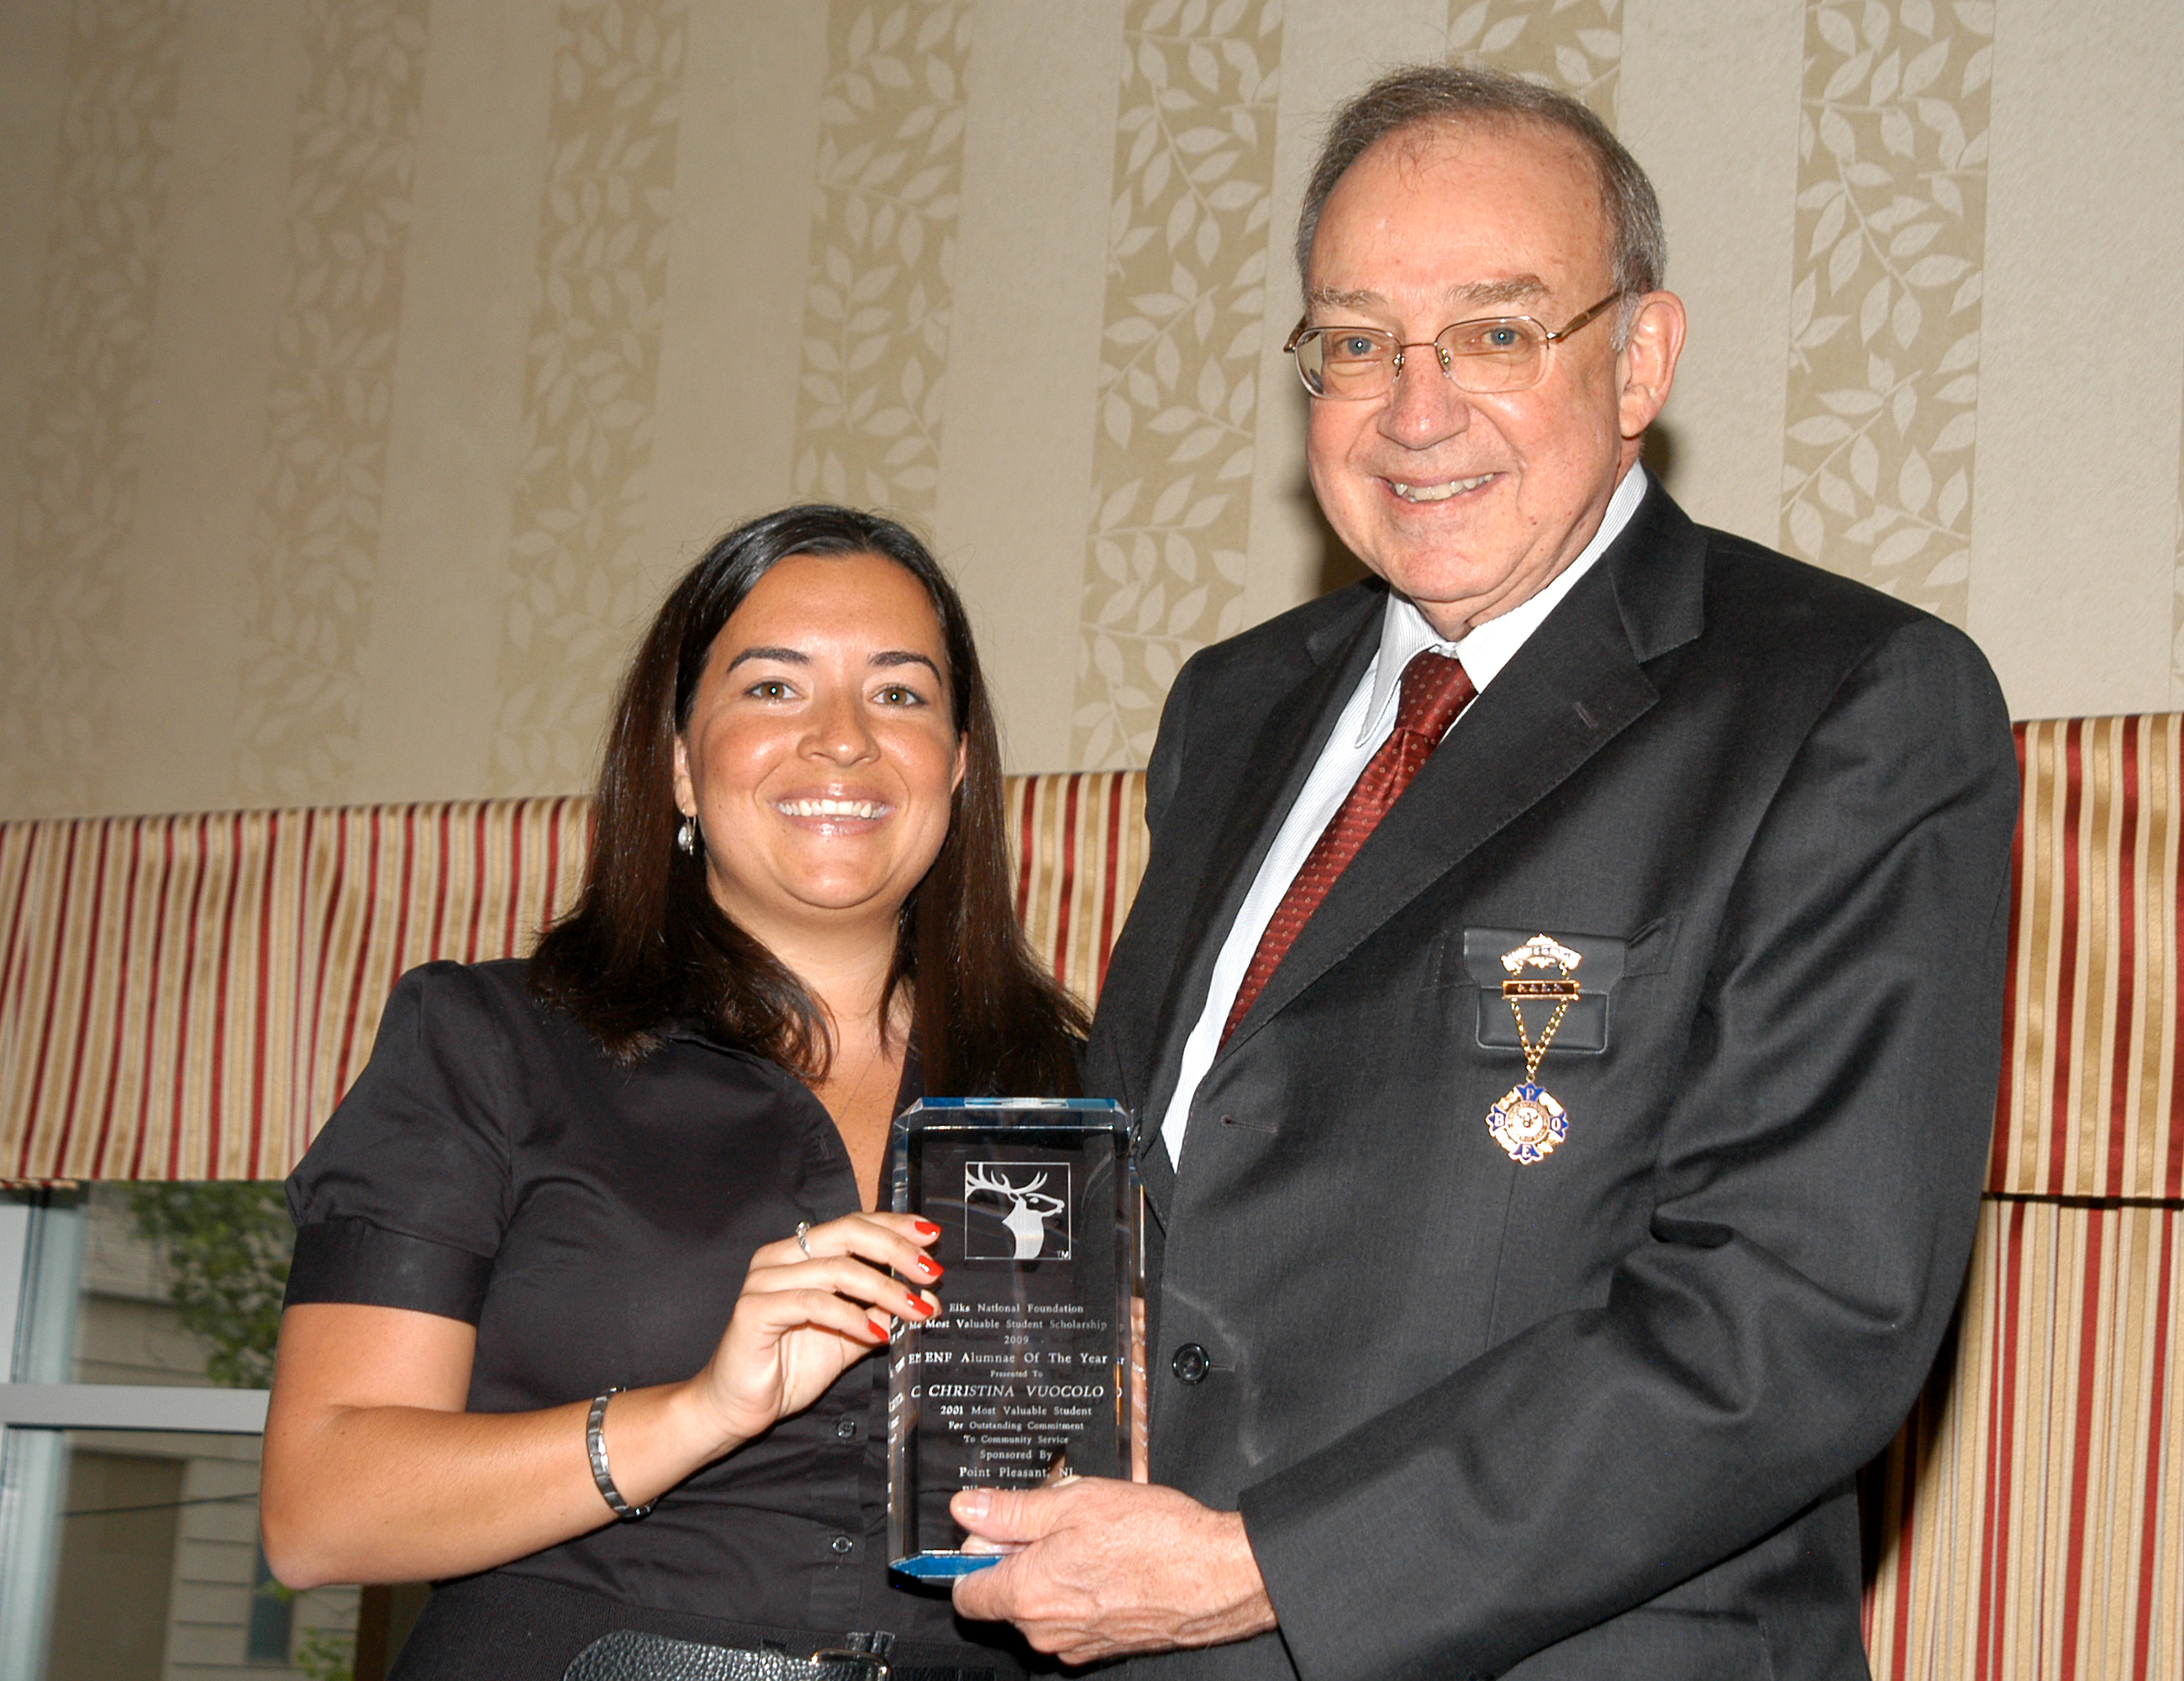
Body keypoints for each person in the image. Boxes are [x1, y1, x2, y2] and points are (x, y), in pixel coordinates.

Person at [950, 64, 2020, 1680]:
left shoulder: (1846, 702)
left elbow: (1797, 1314)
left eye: (1500, 332)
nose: (1416, 407)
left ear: (1642, 357)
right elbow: (1192, 1182)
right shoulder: (1229, 708)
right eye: (1357, 341)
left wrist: (1269, 1570)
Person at [261, 505, 1082, 1679]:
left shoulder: (1080, 1091)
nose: (844, 740)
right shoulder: (489, 1043)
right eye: (774, 689)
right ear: (683, 764)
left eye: (900, 694)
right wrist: (699, 1410)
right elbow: (318, 1513)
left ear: (956, 765)